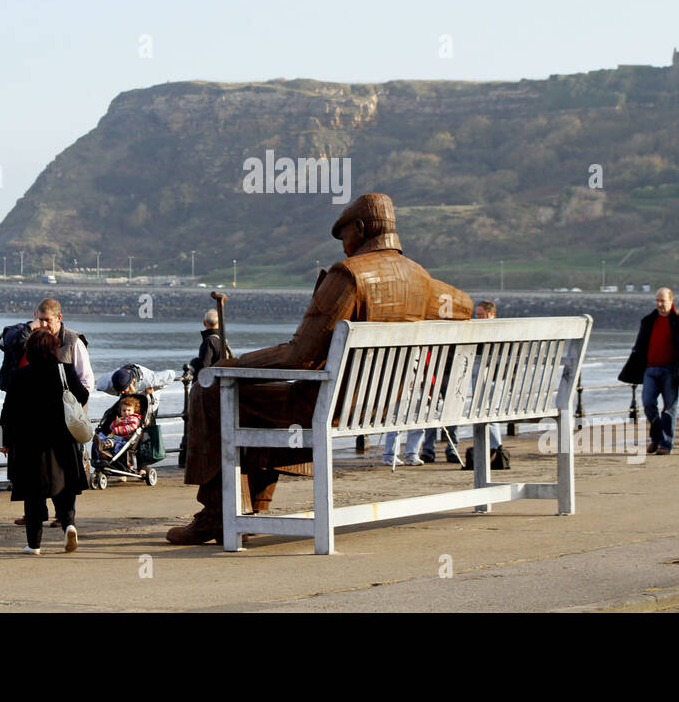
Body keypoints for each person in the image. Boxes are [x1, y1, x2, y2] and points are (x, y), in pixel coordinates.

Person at [167, 192, 474, 545]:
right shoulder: (420, 278)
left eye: (345, 237)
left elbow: (301, 355)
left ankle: (218, 514)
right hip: (382, 407)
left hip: (329, 409)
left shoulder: (348, 275)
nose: (344, 247)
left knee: (215, 390)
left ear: (359, 228)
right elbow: (465, 307)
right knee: (251, 399)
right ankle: (247, 512)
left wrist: (231, 365)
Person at [0, 298, 94, 526]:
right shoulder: (28, 337)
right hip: (33, 422)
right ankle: (37, 512)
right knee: (34, 468)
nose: (42, 324)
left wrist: (74, 410)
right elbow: (4, 342)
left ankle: (64, 517)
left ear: (59, 318)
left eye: (46, 320)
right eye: (38, 319)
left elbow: (86, 381)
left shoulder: (73, 341)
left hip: (66, 419)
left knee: (64, 467)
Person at [419, 299, 501, 464]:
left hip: (447, 373)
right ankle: (441, 449)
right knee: (442, 411)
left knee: (440, 411)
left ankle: (440, 449)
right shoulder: (464, 328)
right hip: (448, 373)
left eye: (480, 315)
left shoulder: (444, 327)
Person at [618, 287, 679, 455]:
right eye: (657, 300)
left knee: (669, 409)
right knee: (648, 403)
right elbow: (639, 346)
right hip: (650, 369)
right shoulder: (648, 320)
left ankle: (665, 444)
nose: (659, 304)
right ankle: (657, 435)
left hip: (670, 370)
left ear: (671, 300)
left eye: (663, 300)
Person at [189, 309, 227, 378]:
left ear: (204, 323)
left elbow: (204, 368)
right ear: (219, 323)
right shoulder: (222, 341)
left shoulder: (209, 341)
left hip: (212, 384)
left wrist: (194, 364)